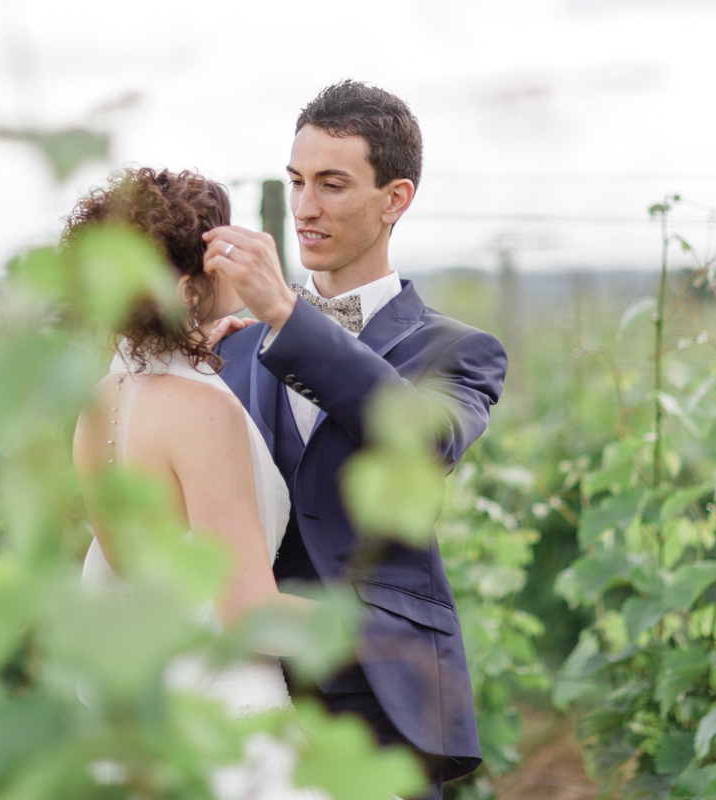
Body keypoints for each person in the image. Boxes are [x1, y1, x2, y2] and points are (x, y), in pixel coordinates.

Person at [204, 80, 508, 800]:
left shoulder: (459, 351)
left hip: (382, 692)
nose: (305, 209)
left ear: (394, 198)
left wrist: (284, 314)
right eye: (297, 182)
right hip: (249, 687)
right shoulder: (238, 350)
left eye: (332, 185)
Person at [69, 167, 327, 800]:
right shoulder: (201, 412)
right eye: (219, 254)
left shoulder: (101, 401)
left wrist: (196, 352)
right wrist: (375, 625)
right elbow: (248, 613)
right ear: (186, 289)